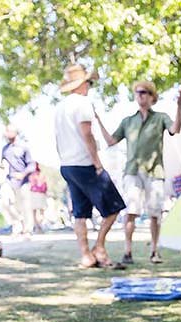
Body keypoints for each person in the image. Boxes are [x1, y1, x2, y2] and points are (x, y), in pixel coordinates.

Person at [100, 80, 181, 264]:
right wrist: (97, 120)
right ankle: (127, 252)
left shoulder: (160, 117)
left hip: (155, 172)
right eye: (138, 92)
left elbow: (175, 129)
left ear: (152, 96)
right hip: (132, 171)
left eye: (144, 92)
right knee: (131, 211)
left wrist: (179, 106)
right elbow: (111, 141)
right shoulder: (128, 121)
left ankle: (155, 251)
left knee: (155, 213)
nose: (140, 95)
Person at [54, 64, 125, 268]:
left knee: (80, 212)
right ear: (82, 83)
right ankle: (99, 247)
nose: (90, 86)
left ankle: (86, 256)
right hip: (85, 164)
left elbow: (58, 138)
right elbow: (87, 134)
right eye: (89, 82)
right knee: (114, 207)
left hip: (67, 165)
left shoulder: (60, 107)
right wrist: (97, 163)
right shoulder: (83, 103)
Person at [1, 124, 36, 235]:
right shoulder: (5, 149)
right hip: (9, 180)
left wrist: (23, 174)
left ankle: (28, 229)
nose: (7, 133)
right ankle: (17, 222)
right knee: (5, 201)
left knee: (26, 205)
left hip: (23, 181)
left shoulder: (24, 147)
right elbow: (2, 162)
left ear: (16, 132)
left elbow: (32, 165)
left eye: (9, 131)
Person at [28, 164, 48, 233]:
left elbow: (30, 185)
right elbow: (45, 186)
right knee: (41, 211)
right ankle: (39, 225)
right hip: (41, 194)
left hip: (34, 193)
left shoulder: (31, 175)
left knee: (34, 211)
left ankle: (37, 226)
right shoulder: (41, 175)